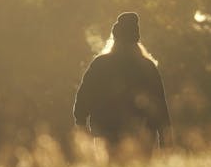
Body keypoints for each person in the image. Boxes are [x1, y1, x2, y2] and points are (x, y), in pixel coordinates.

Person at [73, 12, 172, 158]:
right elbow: (159, 104)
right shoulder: (146, 67)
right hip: (142, 133)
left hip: (106, 132)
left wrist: (80, 121)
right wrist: (165, 138)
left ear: (115, 38)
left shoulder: (101, 64)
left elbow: (84, 96)